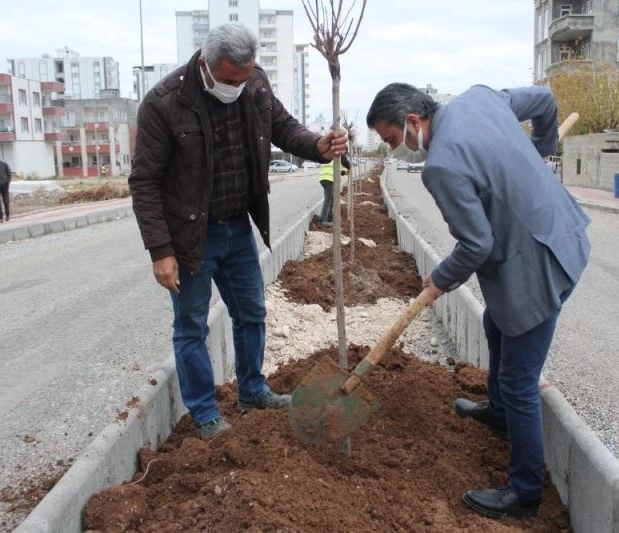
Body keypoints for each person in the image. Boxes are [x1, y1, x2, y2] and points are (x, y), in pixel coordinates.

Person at [366, 83, 590, 519]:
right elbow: (544, 101)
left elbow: (477, 245)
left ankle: (524, 493)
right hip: (565, 236)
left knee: (521, 380)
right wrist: (543, 146)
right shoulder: (480, 98)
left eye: (392, 140)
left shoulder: (441, 166)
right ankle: (500, 413)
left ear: (413, 122)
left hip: (538, 266)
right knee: (493, 323)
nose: (395, 151)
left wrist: (439, 280)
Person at [129, 23, 347, 441]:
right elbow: (145, 182)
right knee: (192, 326)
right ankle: (206, 413)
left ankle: (252, 390)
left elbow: (284, 128)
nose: (238, 87)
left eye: (245, 78)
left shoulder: (255, 83)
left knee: (251, 313)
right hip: (192, 239)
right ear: (206, 65)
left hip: (238, 227)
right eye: (231, 80)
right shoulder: (164, 104)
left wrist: (317, 144)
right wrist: (160, 250)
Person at [317, 154, 351, 227]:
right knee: (328, 200)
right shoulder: (340, 154)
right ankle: (322, 220)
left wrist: (345, 173)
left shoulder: (331, 156)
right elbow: (346, 163)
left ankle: (329, 217)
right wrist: (350, 168)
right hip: (329, 179)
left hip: (324, 178)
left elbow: (338, 171)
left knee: (332, 199)